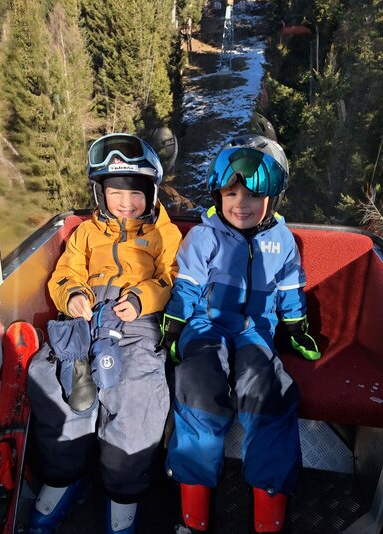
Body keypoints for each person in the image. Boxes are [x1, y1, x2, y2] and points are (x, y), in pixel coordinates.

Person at [160, 134, 321, 533]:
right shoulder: (205, 236)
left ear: (272, 199)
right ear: (218, 195)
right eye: (231, 194)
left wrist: (296, 326)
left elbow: (289, 289)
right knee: (198, 382)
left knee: (269, 391)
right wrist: (174, 325)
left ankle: (269, 512)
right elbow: (188, 287)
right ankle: (193, 512)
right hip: (206, 325)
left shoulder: (281, 241)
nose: (240, 204)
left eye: (253, 195)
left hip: (255, 331)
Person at [27, 133, 182, 534]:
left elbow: (172, 278)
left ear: (151, 193)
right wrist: (74, 294)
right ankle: (65, 476)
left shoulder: (163, 234)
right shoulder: (86, 233)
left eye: (135, 193)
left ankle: (123, 491)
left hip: (134, 320)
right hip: (85, 315)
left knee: (136, 392)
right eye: (115, 193)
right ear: (100, 194)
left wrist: (142, 298)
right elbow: (66, 272)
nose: (125, 202)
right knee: (51, 380)